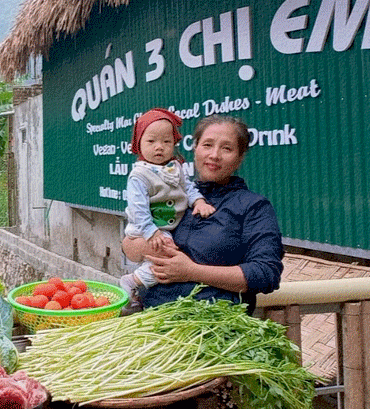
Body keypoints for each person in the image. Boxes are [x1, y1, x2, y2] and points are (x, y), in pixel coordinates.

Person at [121, 114, 284, 315]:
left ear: (240, 157)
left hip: (211, 325)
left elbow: (266, 274)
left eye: (227, 148)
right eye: (207, 145)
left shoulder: (254, 207)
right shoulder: (175, 194)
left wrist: (191, 271)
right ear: (195, 148)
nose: (214, 155)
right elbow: (130, 246)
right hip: (151, 317)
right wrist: (139, 244)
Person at [119, 108, 215, 307]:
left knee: (164, 259)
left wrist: (199, 201)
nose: (159, 147)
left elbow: (188, 187)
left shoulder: (175, 167)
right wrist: (151, 232)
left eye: (166, 141)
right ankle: (133, 280)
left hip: (164, 226)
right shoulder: (139, 175)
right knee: (169, 256)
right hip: (147, 227)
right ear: (138, 145)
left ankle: (137, 284)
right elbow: (138, 209)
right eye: (151, 141)